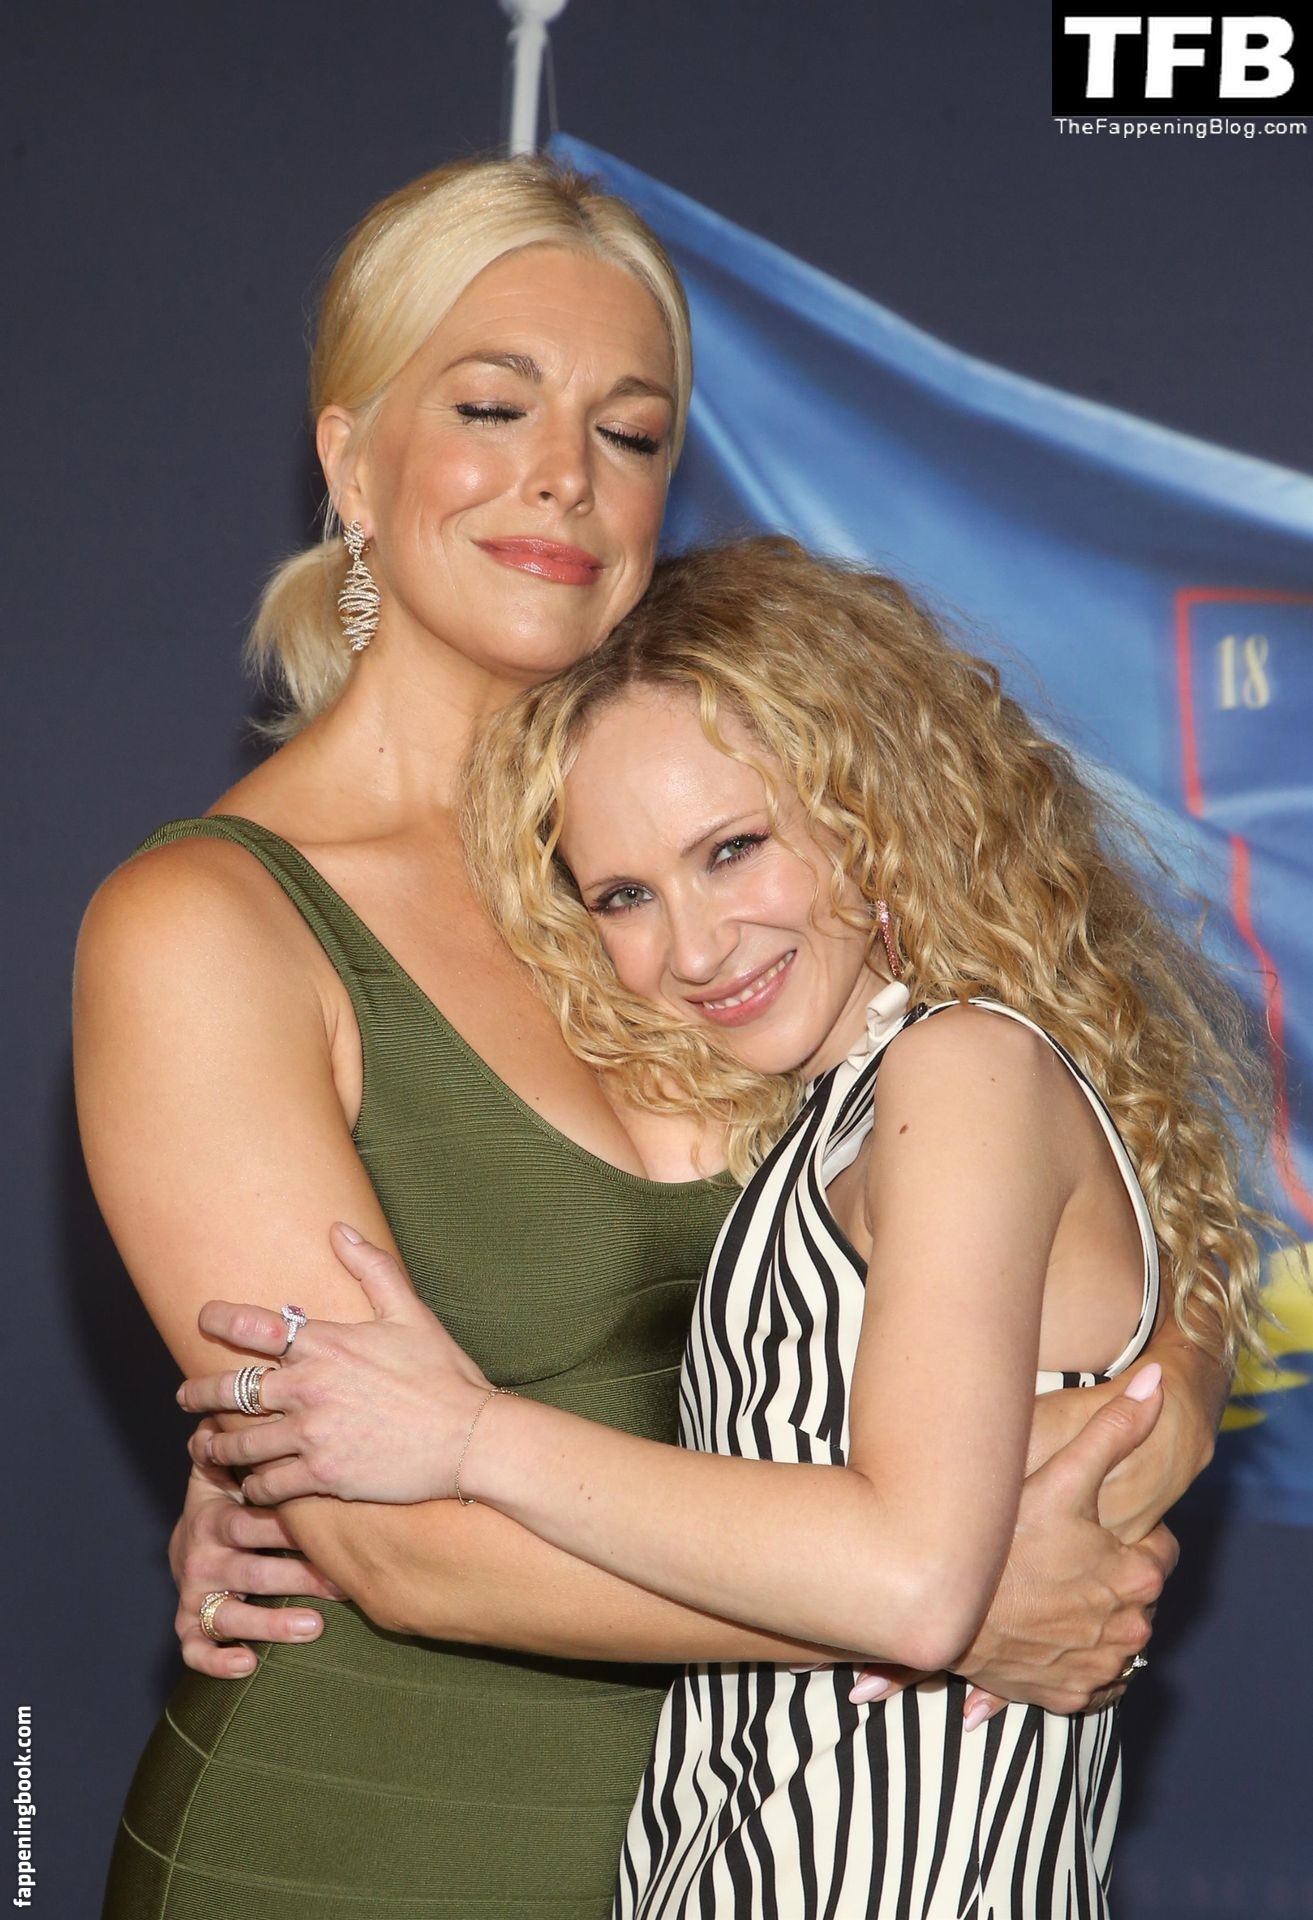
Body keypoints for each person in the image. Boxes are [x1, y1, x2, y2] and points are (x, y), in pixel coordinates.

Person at [74, 153, 1217, 1920]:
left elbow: (1133, 1225)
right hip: (362, 1843)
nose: (565, 474)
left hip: (737, 1852)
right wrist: (942, 1603)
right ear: (351, 462)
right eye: (491, 405)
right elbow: (394, 1544)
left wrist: (1120, 1464)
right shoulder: (205, 927)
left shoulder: (740, 854)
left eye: (628, 431)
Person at [174, 539, 1271, 1917]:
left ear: (875, 807)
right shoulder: (831, 1112)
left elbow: (913, 1577)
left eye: (732, 849)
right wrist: (260, 1469)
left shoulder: (959, 1072)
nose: (690, 950)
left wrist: (469, 1438)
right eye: (622, 896)